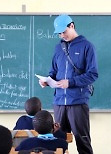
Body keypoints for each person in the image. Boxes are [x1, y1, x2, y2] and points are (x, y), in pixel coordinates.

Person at [39, 14, 98, 154]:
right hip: (59, 103)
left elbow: (92, 74)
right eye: (59, 33)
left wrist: (70, 83)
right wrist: (47, 81)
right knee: (58, 142)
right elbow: (53, 71)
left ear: (72, 26)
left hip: (78, 102)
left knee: (82, 141)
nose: (62, 35)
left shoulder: (87, 46)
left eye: (64, 31)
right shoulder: (58, 48)